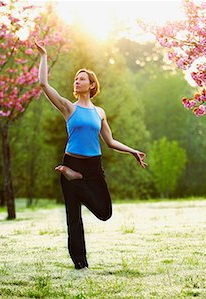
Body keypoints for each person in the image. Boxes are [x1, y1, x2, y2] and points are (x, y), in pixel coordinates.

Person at [35, 41, 148, 271]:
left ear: (91, 84)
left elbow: (110, 141)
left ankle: (73, 179)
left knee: (104, 212)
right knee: (73, 218)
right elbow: (43, 84)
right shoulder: (68, 107)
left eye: (82, 78)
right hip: (72, 161)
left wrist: (132, 151)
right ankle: (80, 264)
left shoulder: (100, 112)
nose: (77, 81)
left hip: (93, 167)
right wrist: (44, 55)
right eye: (76, 78)